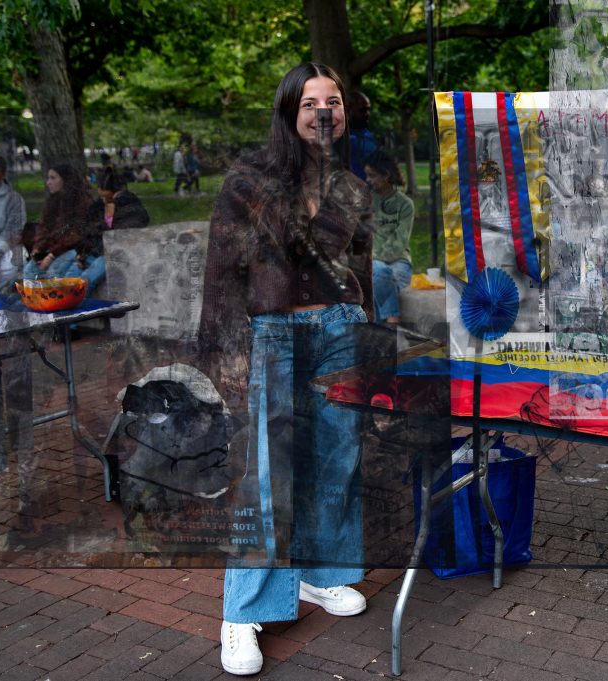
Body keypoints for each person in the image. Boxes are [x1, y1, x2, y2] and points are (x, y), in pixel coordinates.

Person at [199, 62, 374, 676]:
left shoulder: (351, 187)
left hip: (340, 332)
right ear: (288, 111)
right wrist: (224, 351)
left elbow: (361, 267)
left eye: (334, 101)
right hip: (274, 334)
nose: (325, 111)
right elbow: (222, 271)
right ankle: (242, 612)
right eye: (310, 102)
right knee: (269, 475)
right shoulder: (250, 181)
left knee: (337, 461)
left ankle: (320, 575)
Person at [67, 169, 150, 295]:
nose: (103, 198)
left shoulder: (129, 207)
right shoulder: (98, 207)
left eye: (109, 197)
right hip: (95, 253)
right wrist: (82, 253)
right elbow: (88, 232)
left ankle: (76, 301)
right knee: (70, 278)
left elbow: (120, 238)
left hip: (113, 256)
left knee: (85, 280)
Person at [366, 149, 414, 324]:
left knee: (381, 278)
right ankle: (392, 320)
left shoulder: (405, 204)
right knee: (379, 273)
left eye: (372, 175)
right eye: (367, 175)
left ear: (386, 176)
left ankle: (381, 332)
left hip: (399, 262)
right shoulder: (365, 201)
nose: (367, 180)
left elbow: (399, 242)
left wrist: (374, 259)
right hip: (372, 263)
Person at [24, 164, 93, 280]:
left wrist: (52, 255)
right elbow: (43, 228)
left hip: (74, 250)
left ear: (66, 180)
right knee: (29, 270)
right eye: (48, 178)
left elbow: (76, 235)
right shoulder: (53, 202)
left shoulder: (82, 202)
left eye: (53, 178)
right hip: (52, 249)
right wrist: (38, 248)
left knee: (52, 273)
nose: (48, 183)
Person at [0, 153, 26, 292]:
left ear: (3, 175)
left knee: (10, 269)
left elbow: (13, 231)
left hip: (5, 249)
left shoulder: (14, 199)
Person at [347, 91, 376, 180]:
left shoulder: (369, 135)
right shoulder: (339, 138)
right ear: (348, 110)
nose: (367, 114)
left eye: (368, 109)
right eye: (362, 110)